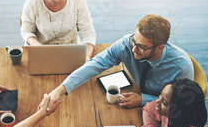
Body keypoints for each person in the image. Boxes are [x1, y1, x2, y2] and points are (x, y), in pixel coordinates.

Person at [47, 14, 193, 110]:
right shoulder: (127, 44)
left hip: (160, 111)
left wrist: (143, 100)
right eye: (134, 41)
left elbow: (179, 104)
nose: (134, 50)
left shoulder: (181, 67)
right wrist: (61, 89)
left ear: (160, 47)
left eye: (141, 47)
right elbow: (96, 64)